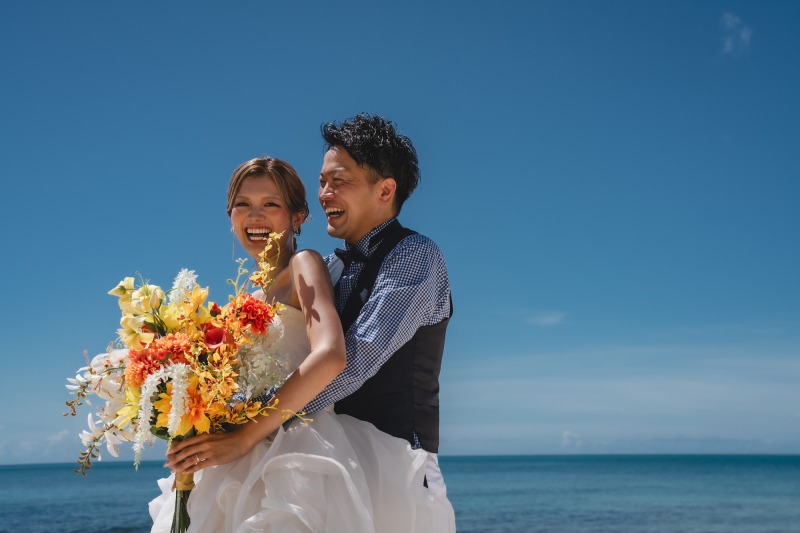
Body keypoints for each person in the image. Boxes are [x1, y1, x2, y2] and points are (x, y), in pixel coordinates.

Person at [150, 150, 455, 532]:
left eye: (270, 204)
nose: (255, 215)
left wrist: (248, 429)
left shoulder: (333, 262)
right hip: (264, 447)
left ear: (297, 218)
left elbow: (343, 357)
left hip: (337, 452)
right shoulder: (273, 288)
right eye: (242, 204)